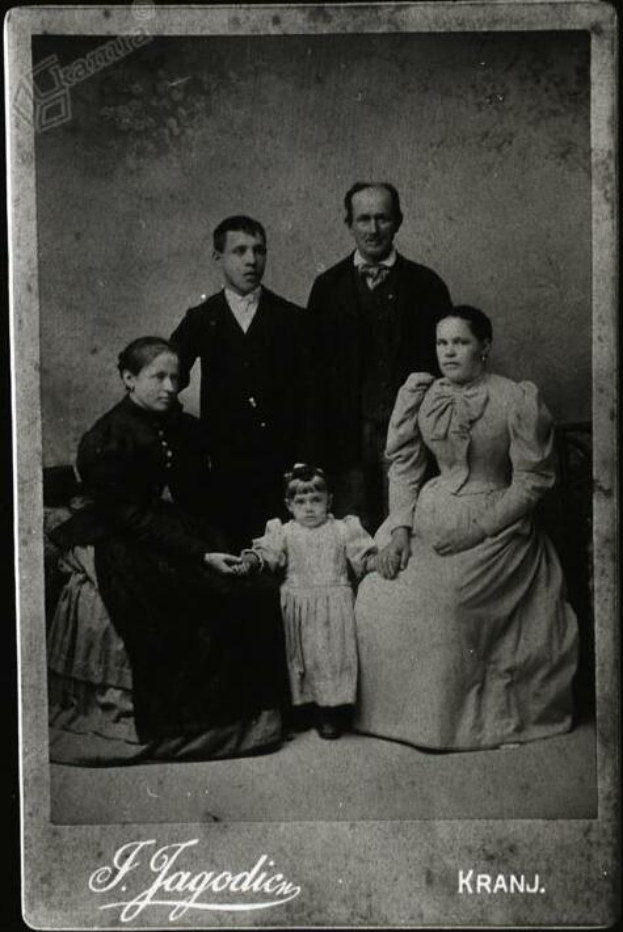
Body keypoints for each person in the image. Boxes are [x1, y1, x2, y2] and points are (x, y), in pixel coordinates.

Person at [47, 337, 288, 764]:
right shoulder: (107, 436)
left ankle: (250, 720)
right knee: (175, 598)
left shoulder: (176, 423)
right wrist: (198, 555)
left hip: (161, 524)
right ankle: (181, 724)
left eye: (175, 377)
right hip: (120, 534)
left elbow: (198, 485)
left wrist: (212, 542)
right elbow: (128, 517)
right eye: (158, 377)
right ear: (128, 379)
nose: (169, 387)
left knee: (248, 589)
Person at [354, 306, 579, 750]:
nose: (449, 352)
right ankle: (392, 719)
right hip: (431, 514)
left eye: (460, 342)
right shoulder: (422, 392)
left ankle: (445, 726)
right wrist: (400, 529)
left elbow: (533, 480)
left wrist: (477, 531)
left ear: (485, 347)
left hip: (498, 527)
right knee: (377, 592)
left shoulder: (515, 397)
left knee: (447, 605)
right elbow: (403, 466)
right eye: (442, 343)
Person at [305, 182, 452, 532]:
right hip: (347, 435)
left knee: (407, 526)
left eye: (382, 219)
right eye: (364, 219)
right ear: (349, 223)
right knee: (355, 528)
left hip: (411, 432)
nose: (373, 230)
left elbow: (445, 368)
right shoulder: (327, 288)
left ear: (398, 221)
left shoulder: (427, 285)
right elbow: (312, 374)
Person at [170, 215, 306, 551]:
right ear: (218, 257)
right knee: (229, 559)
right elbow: (166, 378)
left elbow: (312, 397)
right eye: (239, 251)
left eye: (259, 250)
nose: (251, 260)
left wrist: (304, 460)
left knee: (278, 561)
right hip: (223, 468)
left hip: (281, 468)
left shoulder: (293, 319)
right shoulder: (201, 319)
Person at [239, 464, 378, 740]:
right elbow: (269, 554)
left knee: (330, 658)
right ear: (289, 506)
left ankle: (330, 712)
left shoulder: (342, 528)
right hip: (298, 607)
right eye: (300, 502)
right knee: (301, 658)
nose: (309, 508)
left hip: (333, 607)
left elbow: (362, 557)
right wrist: (254, 560)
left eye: (316, 500)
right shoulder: (284, 531)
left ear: (330, 501)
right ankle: (302, 708)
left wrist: (377, 561)